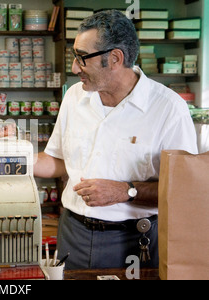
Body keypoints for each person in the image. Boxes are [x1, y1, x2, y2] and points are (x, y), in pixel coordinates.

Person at [34, 10, 198, 270]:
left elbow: (184, 191)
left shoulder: (169, 109)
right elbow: (58, 160)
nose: (75, 67)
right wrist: (8, 159)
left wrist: (126, 191)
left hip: (135, 240)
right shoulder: (74, 96)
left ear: (114, 58)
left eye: (81, 58)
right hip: (73, 233)